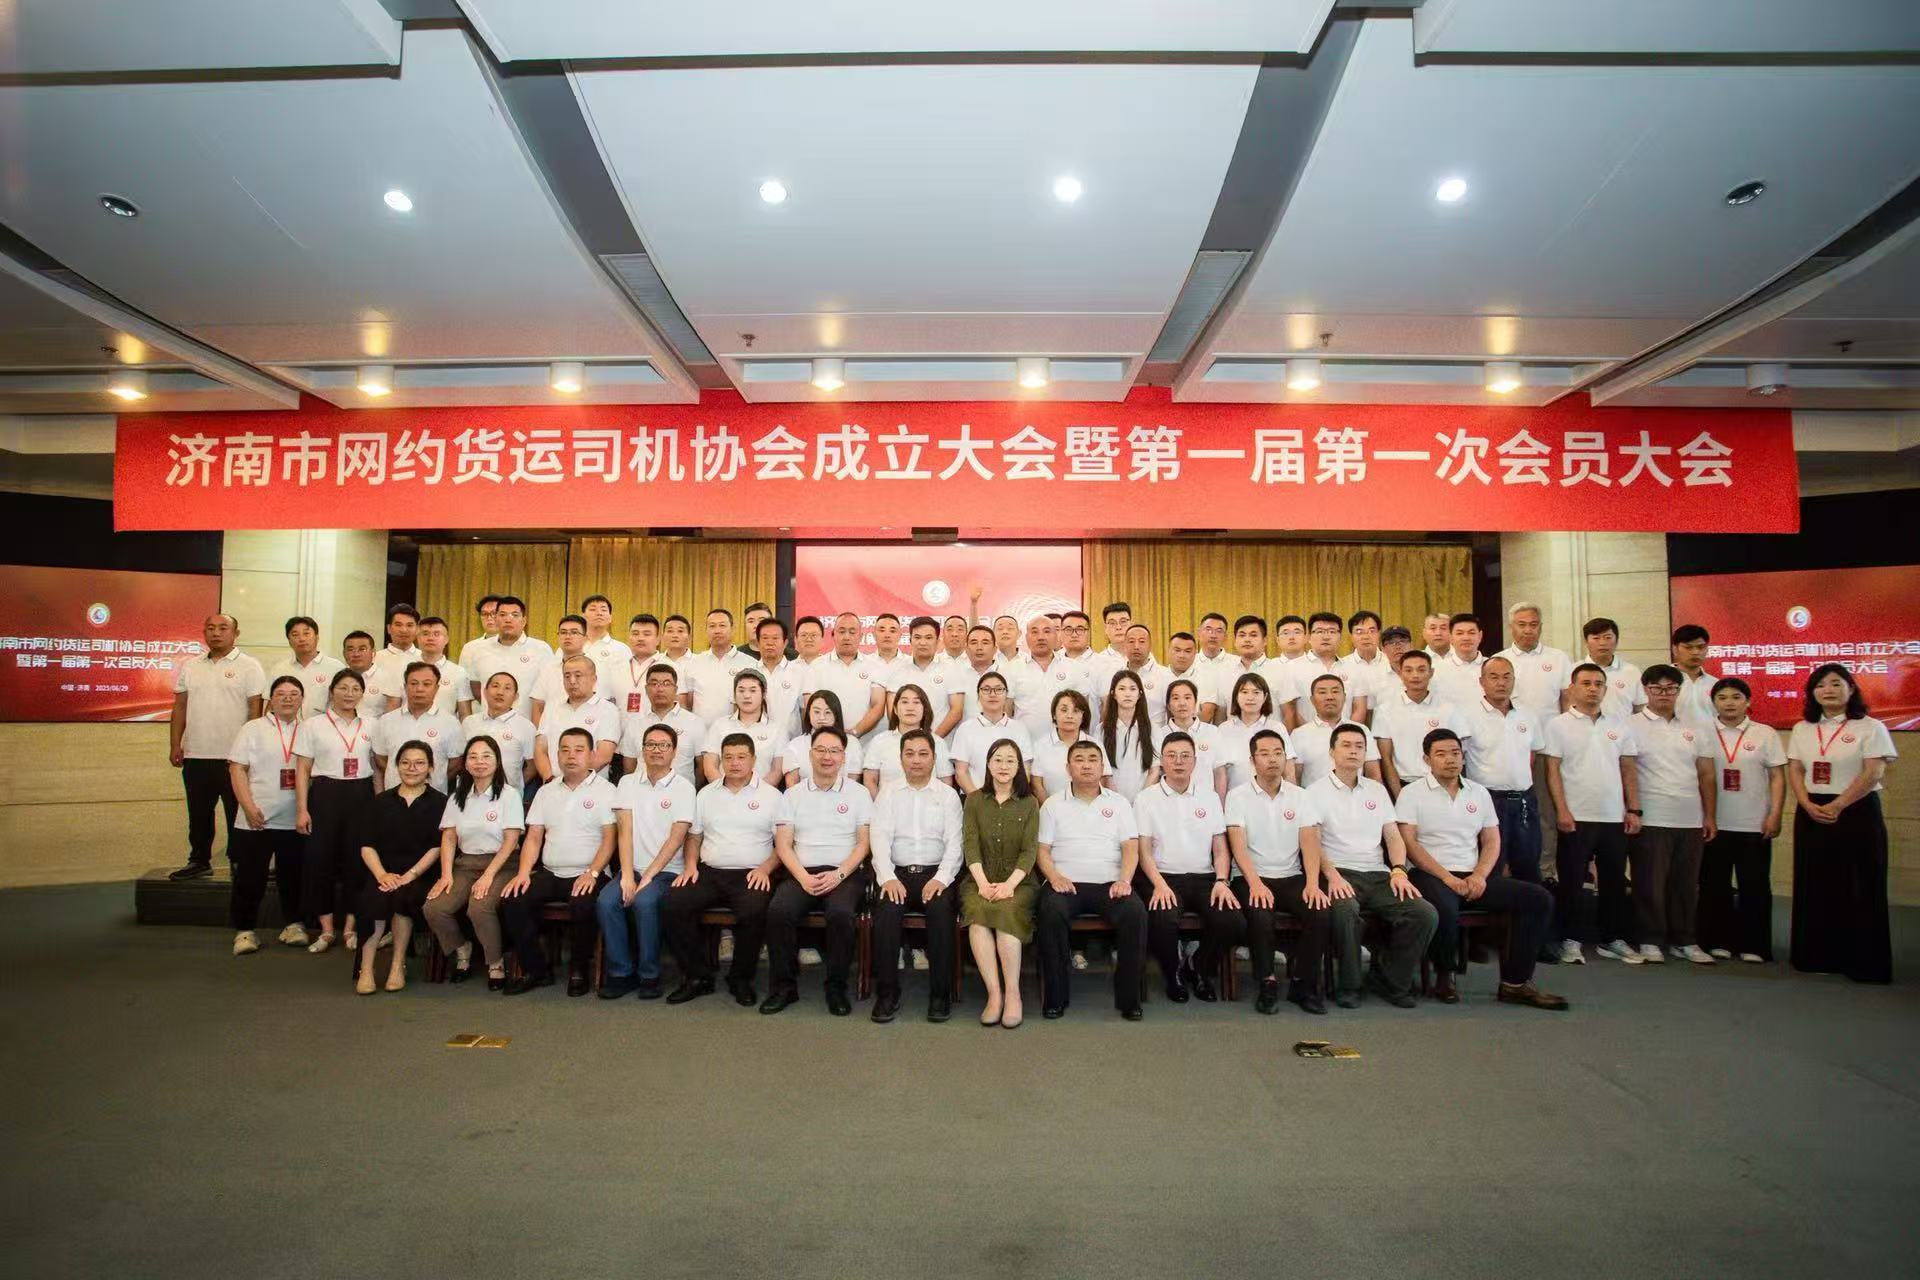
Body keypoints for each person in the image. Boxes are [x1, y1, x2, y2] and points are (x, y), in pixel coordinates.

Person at [1397, 730, 1567, 1009]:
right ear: (1427, 759)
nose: (1450, 759)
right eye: (1441, 754)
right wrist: (1447, 878)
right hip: (1428, 873)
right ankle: (1445, 975)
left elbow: (1491, 840)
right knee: (1445, 906)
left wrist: (1479, 875)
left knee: (1538, 899)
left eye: (1455, 753)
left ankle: (1515, 983)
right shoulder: (1411, 793)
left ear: (1463, 757)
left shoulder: (1479, 793)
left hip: (1471, 874)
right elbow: (1410, 843)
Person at [1310, 724, 1437, 1008]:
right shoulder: (1315, 792)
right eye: (1346, 745)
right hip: (1339, 872)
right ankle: (1350, 985)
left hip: (1379, 874)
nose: (1353, 751)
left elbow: (1393, 836)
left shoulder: (1377, 791)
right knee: (1346, 910)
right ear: (1332, 752)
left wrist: (1399, 870)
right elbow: (1313, 842)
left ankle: (1391, 980)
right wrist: (1331, 876)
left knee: (1424, 913)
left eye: (1359, 746)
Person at [1786, 663, 1897, 984]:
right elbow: (1796, 769)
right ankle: (1816, 956)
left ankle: (1863, 961)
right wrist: (1805, 802)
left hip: (1856, 810)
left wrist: (1839, 804)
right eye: (1820, 685)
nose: (1828, 690)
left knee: (1860, 883)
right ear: (1812, 693)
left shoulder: (1871, 727)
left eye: (1836, 683)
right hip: (1812, 810)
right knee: (1815, 882)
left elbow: (1873, 772)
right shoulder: (1803, 728)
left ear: (1851, 688)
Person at [662, 734, 786, 1006]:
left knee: (753, 912)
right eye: (728, 757)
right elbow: (694, 837)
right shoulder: (706, 794)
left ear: (754, 760)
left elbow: (784, 844)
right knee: (673, 904)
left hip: (753, 872)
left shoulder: (772, 796)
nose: (734, 763)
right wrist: (690, 865)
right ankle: (697, 976)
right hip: (710, 871)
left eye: (741, 757)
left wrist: (766, 869)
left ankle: (740, 979)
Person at [496, 728, 617, 996]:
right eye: (565, 750)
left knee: (583, 903)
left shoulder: (607, 791)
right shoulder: (546, 791)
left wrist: (592, 873)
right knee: (513, 899)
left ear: (592, 755)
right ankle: (536, 970)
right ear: (557, 755)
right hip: (550, 872)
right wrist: (523, 872)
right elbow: (534, 837)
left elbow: (610, 840)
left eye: (578, 750)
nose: (571, 756)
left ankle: (579, 969)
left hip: (590, 873)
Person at [762, 727, 873, 1015]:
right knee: (779, 911)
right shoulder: (792, 794)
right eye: (821, 750)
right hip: (802, 871)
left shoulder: (859, 793)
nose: (827, 757)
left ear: (843, 757)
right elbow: (783, 845)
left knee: (840, 914)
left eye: (834, 751)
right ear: (810, 754)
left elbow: (864, 844)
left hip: (845, 874)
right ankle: (784, 987)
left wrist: (839, 874)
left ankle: (836, 987)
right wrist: (803, 877)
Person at [1035, 741, 1149, 1021]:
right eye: (1079, 759)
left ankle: (1130, 1000)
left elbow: (1131, 848)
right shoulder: (1052, 804)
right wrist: (1054, 877)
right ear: (1068, 768)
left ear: (1102, 766)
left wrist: (1124, 880)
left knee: (1135, 912)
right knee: (1050, 911)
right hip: (1066, 883)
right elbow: (1042, 851)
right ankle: (1055, 998)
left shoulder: (1119, 803)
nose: (1086, 765)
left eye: (1092, 759)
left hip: (1110, 884)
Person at [1541, 662, 1642, 966]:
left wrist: (1633, 809)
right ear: (1572, 688)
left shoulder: (1620, 725)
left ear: (1606, 689)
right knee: (1571, 881)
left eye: (1598, 684)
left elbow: (1628, 769)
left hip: (1613, 816)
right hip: (1575, 816)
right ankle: (1570, 939)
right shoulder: (1557, 725)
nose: (1592, 689)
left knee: (1613, 881)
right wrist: (1562, 810)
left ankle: (1612, 938)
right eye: (1585, 683)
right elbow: (1552, 771)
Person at [1226, 729, 1332, 1014]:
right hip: (1250, 876)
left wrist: (1313, 883)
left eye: (1278, 753)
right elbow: (1238, 847)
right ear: (1252, 760)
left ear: (1286, 758)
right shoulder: (1237, 796)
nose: (1272, 759)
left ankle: (1302, 983)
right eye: (1264, 754)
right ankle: (1267, 982)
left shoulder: (1300, 796)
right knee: (1260, 913)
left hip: (1291, 875)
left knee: (1320, 910)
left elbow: (1310, 843)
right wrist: (1255, 883)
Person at [1134, 732, 1246, 1004]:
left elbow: (1220, 848)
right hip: (1162, 876)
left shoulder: (1209, 797)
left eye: (1185, 756)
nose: (1178, 761)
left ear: (1195, 762)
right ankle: (1172, 973)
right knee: (1163, 917)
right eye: (1172, 756)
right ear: (1162, 761)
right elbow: (1143, 851)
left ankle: (1198, 967)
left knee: (1234, 921)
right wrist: (1159, 885)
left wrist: (1222, 880)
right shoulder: (1146, 798)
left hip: (1204, 877)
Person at [868, 729, 966, 1023]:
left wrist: (941, 878)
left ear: (934, 758)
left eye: (923, 754)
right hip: (897, 873)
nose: (916, 760)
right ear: (900, 759)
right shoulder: (888, 793)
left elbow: (955, 844)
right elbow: (879, 838)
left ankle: (940, 995)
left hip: (936, 873)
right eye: (909, 754)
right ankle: (887, 993)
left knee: (941, 912)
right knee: (886, 913)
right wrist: (887, 877)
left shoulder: (948, 796)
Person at [1626, 664, 1718, 964]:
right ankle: (1649, 938)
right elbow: (1627, 772)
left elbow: (1706, 775)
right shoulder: (1630, 725)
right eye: (1657, 688)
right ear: (1645, 690)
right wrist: (1632, 810)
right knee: (1649, 882)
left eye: (1670, 688)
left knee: (1686, 883)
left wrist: (1709, 815)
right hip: (1652, 816)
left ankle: (1685, 940)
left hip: (1690, 816)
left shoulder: (1696, 727)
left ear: (1679, 691)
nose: (1664, 694)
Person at [598, 723, 696, 999]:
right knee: (606, 902)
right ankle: (621, 974)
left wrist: (649, 877)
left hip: (667, 872)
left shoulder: (684, 788)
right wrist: (627, 876)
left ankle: (649, 975)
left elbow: (676, 838)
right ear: (642, 750)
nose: (656, 750)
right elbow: (625, 832)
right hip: (632, 868)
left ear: (674, 751)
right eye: (651, 744)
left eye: (663, 745)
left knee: (644, 901)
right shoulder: (627, 783)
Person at [168, 613, 266, 880]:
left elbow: (255, 710)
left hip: (234, 759)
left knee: (237, 813)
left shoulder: (249, 666)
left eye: (223, 628)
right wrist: (175, 744)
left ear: (236, 633)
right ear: (204, 633)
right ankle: (199, 860)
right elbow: (180, 707)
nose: (216, 633)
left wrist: (251, 751)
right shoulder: (191, 665)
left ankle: (239, 860)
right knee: (199, 813)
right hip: (196, 754)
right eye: (210, 628)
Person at [424, 735, 525, 989]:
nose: (479, 762)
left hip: (502, 864)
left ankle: (495, 963)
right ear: (466, 764)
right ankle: (462, 949)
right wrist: (446, 874)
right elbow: (449, 837)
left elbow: (511, 841)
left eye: (486, 756)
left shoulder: (509, 795)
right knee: (434, 907)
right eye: (473, 757)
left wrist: (488, 876)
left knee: (479, 907)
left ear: (497, 761)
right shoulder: (457, 797)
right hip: (466, 864)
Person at [1699, 677, 1786, 964]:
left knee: (1755, 886)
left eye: (1736, 697)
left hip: (1754, 822)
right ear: (1713, 703)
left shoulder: (1765, 733)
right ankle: (1718, 941)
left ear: (1748, 702)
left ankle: (1754, 944)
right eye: (1722, 698)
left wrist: (1775, 814)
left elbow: (1777, 777)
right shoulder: (1702, 732)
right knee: (1715, 886)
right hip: (1714, 822)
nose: (1729, 703)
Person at [293, 668, 380, 954]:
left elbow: (378, 768)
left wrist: (380, 804)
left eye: (355, 688)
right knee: (321, 861)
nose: (349, 694)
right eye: (343, 688)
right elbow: (302, 769)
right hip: (325, 794)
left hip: (361, 795)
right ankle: (327, 930)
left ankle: (351, 928)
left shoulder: (372, 724)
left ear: (362, 694)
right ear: (331, 692)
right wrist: (302, 809)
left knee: (358, 862)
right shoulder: (313, 725)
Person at [351, 741, 445, 995]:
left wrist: (410, 875)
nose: (412, 768)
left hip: (420, 873)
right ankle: (366, 969)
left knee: (404, 897)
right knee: (374, 898)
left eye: (419, 763)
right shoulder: (381, 801)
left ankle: (397, 965)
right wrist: (381, 874)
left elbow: (437, 847)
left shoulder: (440, 803)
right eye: (405, 763)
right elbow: (367, 846)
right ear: (396, 766)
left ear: (430, 768)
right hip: (383, 871)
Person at [958, 741, 1040, 1028]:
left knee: (1006, 912)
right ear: (988, 764)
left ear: (1019, 767)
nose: (1003, 766)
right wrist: (982, 883)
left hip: (1019, 881)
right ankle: (994, 994)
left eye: (1010, 760)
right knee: (978, 916)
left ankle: (1013, 994)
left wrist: (1009, 885)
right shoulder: (974, 800)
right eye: (998, 759)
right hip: (979, 878)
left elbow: (1029, 851)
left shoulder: (1030, 803)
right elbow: (970, 845)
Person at [227, 675, 309, 955]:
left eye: (294, 694)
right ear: (270, 700)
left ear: (302, 700)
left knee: (293, 876)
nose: (288, 698)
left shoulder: (308, 729)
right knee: (250, 877)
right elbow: (237, 769)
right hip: (256, 818)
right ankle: (245, 930)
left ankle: (294, 924)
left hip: (294, 819)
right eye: (281, 693)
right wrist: (248, 807)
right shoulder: (252, 729)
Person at [1497, 600, 1575, 875]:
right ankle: (1507, 869)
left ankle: (1546, 869)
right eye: (1521, 625)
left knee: (1545, 813)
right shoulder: (1500, 660)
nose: (1528, 630)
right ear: (1511, 627)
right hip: (1510, 750)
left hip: (1548, 749)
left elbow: (1567, 701)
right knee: (1508, 813)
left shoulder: (1558, 658)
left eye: (1533, 625)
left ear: (1541, 627)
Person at [1458, 657, 1543, 884]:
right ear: (1482, 681)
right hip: (1488, 801)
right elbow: (1460, 761)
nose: (1501, 683)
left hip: (1524, 800)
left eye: (1507, 677)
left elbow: (1532, 755)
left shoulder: (1528, 715)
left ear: (1514, 680)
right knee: (1491, 869)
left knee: (1528, 864)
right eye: (1493, 677)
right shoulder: (1466, 715)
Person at [1372, 650, 1471, 800]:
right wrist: (1401, 796)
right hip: (1404, 784)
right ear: (1400, 673)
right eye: (1409, 670)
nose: (1415, 675)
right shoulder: (1385, 710)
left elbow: (1460, 753)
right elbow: (1386, 759)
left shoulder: (1449, 708)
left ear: (1431, 673)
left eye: (1421, 670)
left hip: (1443, 785)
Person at [372, 662, 465, 790]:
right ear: (405, 687)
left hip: (434, 796)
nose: (419, 689)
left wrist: (433, 781)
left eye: (426, 684)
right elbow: (381, 758)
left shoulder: (451, 723)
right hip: (395, 795)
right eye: (414, 683)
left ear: (436, 688)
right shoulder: (386, 721)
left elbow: (455, 763)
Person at [462, 596, 553, 717]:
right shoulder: (479, 649)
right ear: (496, 619)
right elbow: (475, 688)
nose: (508, 619)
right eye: (503, 615)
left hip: (527, 724)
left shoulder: (541, 649)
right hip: (488, 724)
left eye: (515, 615)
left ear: (524, 621)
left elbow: (549, 691)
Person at [534, 654, 619, 782]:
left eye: (578, 675)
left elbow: (604, 756)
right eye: (567, 676)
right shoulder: (552, 707)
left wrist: (573, 781)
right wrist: (550, 780)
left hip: (591, 785)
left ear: (594, 679)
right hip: (553, 783)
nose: (572, 681)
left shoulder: (607, 709)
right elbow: (540, 750)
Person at [616, 664, 705, 786]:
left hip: (680, 792)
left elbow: (701, 766)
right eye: (654, 683)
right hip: (641, 791)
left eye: (666, 683)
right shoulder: (635, 723)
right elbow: (629, 767)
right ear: (646, 689)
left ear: (676, 689)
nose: (660, 689)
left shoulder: (694, 722)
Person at [805, 613, 887, 741]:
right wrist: (831, 736)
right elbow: (810, 705)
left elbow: (878, 706)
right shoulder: (816, 666)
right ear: (833, 635)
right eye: (842, 631)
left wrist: (855, 732)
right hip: (825, 742)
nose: (847, 637)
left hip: (863, 742)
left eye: (852, 632)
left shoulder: (874, 666)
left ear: (861, 636)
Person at [1290, 674, 1382, 788]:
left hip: (1355, 797)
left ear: (1344, 697)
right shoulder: (1299, 734)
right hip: (1314, 798)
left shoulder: (1362, 730)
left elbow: (1374, 775)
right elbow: (1294, 779)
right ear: (1312, 700)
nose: (1329, 697)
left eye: (1335, 691)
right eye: (1322, 692)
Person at [950, 672, 1034, 793]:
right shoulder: (965, 729)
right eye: (986, 689)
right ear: (978, 695)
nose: (993, 694)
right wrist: (978, 800)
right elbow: (961, 772)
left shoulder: (1019, 728)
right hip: (975, 798)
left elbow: (1025, 770)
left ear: (1006, 695)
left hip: (1012, 799)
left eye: (999, 689)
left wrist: (1010, 798)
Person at [864, 683, 956, 794]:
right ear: (895, 709)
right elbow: (870, 781)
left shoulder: (938, 742)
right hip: (887, 803)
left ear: (924, 710)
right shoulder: (880, 741)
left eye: (916, 702)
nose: (910, 708)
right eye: (904, 702)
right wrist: (881, 803)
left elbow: (945, 783)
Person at [700, 670, 784, 784]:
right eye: (741, 690)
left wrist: (759, 792)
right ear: (734, 694)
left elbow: (777, 771)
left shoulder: (777, 729)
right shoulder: (719, 725)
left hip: (763, 793)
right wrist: (725, 790)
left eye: (753, 690)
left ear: (764, 694)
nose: (746, 695)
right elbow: (710, 767)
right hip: (723, 792)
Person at [461, 671, 538, 797]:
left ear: (516, 696)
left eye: (507, 688)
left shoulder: (526, 727)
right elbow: (461, 759)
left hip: (508, 798)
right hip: (471, 795)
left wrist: (511, 786)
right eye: (495, 686)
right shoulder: (469, 723)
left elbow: (532, 766)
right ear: (485, 692)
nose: (500, 692)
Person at [1215, 673, 1294, 793]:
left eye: (1256, 692)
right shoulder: (1224, 729)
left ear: (1265, 697)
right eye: (1244, 692)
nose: (1250, 698)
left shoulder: (1276, 728)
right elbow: (1219, 774)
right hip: (1235, 798)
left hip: (1271, 797)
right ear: (1236, 697)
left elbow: (1289, 772)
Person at [1007, 614, 1082, 740]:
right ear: (1026, 637)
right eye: (1034, 632)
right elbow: (1007, 711)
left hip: (1065, 744)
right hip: (1023, 743)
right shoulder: (1012, 668)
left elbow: (1082, 710)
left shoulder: (1073, 667)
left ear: (1056, 636)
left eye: (1047, 631)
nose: (1040, 637)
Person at [1030, 688, 1109, 805]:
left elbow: (1103, 780)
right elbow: (1037, 785)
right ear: (1054, 715)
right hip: (1051, 810)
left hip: (1089, 808)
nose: (1069, 716)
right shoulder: (1040, 745)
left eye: (1076, 711)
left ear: (1083, 716)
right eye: (1064, 710)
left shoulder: (1095, 744)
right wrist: (1051, 809)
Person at [891, 616, 965, 737]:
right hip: (905, 743)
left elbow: (956, 711)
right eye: (917, 637)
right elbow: (893, 710)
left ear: (937, 641)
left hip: (940, 742)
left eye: (928, 638)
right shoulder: (898, 669)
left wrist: (932, 740)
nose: (922, 642)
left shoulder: (951, 669)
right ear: (910, 640)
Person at [1153, 679, 1227, 800]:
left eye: (1187, 698)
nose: (1182, 703)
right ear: (1169, 706)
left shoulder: (1212, 732)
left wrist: (1220, 804)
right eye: (1176, 698)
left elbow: (1219, 772)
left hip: (1205, 802)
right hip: (1170, 802)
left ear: (1195, 703)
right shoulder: (1159, 734)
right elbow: (1156, 773)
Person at [779, 690, 867, 789]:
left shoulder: (852, 743)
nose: (822, 717)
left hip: (843, 798)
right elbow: (792, 789)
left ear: (836, 714)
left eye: (828, 712)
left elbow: (854, 787)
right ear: (808, 713)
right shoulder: (794, 745)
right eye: (816, 712)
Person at [1285, 612, 1359, 728]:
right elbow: (1289, 709)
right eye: (1320, 631)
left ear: (1340, 637)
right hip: (1306, 735)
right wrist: (1310, 731)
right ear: (1309, 637)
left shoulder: (1353, 668)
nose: (1326, 637)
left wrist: (1348, 732)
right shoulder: (1291, 668)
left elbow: (1358, 708)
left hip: (1347, 735)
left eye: (1332, 632)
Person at [684, 608, 758, 724]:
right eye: (712, 626)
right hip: (701, 731)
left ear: (733, 629)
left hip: (737, 730)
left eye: (722, 625)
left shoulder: (750, 663)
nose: (717, 631)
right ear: (706, 630)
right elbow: (688, 703)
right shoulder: (694, 663)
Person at [528, 614, 601, 722]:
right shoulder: (548, 668)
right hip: (551, 729)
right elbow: (538, 706)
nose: (568, 636)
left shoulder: (594, 667)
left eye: (574, 632)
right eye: (563, 632)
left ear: (585, 638)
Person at [267, 615, 344, 716]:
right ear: (289, 641)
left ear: (317, 637)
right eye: (295, 635)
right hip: (286, 725)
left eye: (306, 633)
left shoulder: (336, 667)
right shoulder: (279, 669)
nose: (302, 639)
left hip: (324, 724)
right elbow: (270, 706)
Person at [752, 616, 808, 738]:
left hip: (790, 743)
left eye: (775, 638)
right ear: (758, 642)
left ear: (785, 643)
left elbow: (806, 711)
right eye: (765, 638)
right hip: (756, 742)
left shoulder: (799, 672)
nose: (770, 643)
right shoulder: (749, 672)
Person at [1582, 617, 1647, 721]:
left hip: (1624, 729)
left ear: (1616, 640)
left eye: (1608, 637)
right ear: (1586, 641)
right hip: (1587, 729)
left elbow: (1640, 707)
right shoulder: (1573, 670)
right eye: (1596, 638)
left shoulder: (1631, 671)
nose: (1602, 643)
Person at [412, 616, 473, 720]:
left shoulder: (458, 672)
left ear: (446, 639)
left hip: (446, 729)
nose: (430, 638)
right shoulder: (405, 668)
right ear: (417, 638)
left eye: (436, 634)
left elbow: (464, 714)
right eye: (425, 634)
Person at [1334, 611, 1393, 711]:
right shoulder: (1341, 666)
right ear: (1351, 636)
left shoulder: (1391, 663)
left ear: (1379, 634)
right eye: (1359, 632)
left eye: (1371, 631)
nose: (1366, 636)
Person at [605, 613, 663, 712]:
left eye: (646, 634)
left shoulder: (669, 666)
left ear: (658, 640)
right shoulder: (616, 667)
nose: (640, 638)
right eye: (635, 634)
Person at [1432, 612, 1489, 707]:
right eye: (1459, 633)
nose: (1466, 638)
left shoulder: (1493, 667)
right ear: (1450, 638)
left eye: (1471, 633)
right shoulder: (1437, 669)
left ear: (1480, 636)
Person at [1670, 624, 1717, 725]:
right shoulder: (1660, 681)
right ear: (1675, 649)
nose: (1695, 652)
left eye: (1701, 647)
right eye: (1688, 647)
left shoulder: (1715, 684)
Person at [370, 604, 423, 690]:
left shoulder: (425, 659)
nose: (404, 630)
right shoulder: (373, 659)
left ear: (417, 629)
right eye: (398, 625)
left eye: (409, 625)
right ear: (389, 628)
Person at [341, 631, 386, 718]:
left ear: (373, 652)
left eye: (362, 649)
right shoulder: (338, 678)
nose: (356, 654)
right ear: (344, 653)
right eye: (350, 650)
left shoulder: (386, 679)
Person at [579, 593, 628, 670]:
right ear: (583, 616)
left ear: (610, 618)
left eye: (604, 610)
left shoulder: (621, 649)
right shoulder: (573, 645)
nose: (599, 613)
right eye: (593, 609)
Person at [457, 593, 501, 667]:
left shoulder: (515, 644)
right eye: (484, 614)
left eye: (494, 613)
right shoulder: (470, 648)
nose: (489, 618)